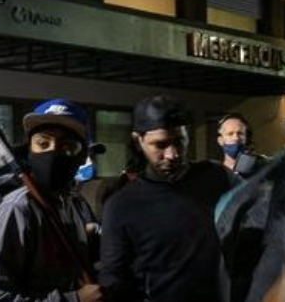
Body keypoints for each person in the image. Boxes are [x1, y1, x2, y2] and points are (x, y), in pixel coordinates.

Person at [100, 95, 238, 302]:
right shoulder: (121, 205)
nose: (172, 154)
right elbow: (113, 279)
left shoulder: (218, 178)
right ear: (138, 141)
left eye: (179, 141)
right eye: (160, 145)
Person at [0, 98, 103, 302]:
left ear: (82, 155)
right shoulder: (17, 208)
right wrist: (72, 299)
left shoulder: (73, 204)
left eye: (67, 146)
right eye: (43, 143)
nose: (53, 152)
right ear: (30, 150)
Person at [217, 113, 267, 177]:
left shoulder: (262, 166)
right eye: (230, 134)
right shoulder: (215, 174)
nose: (236, 138)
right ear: (220, 140)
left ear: (247, 138)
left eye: (240, 133)